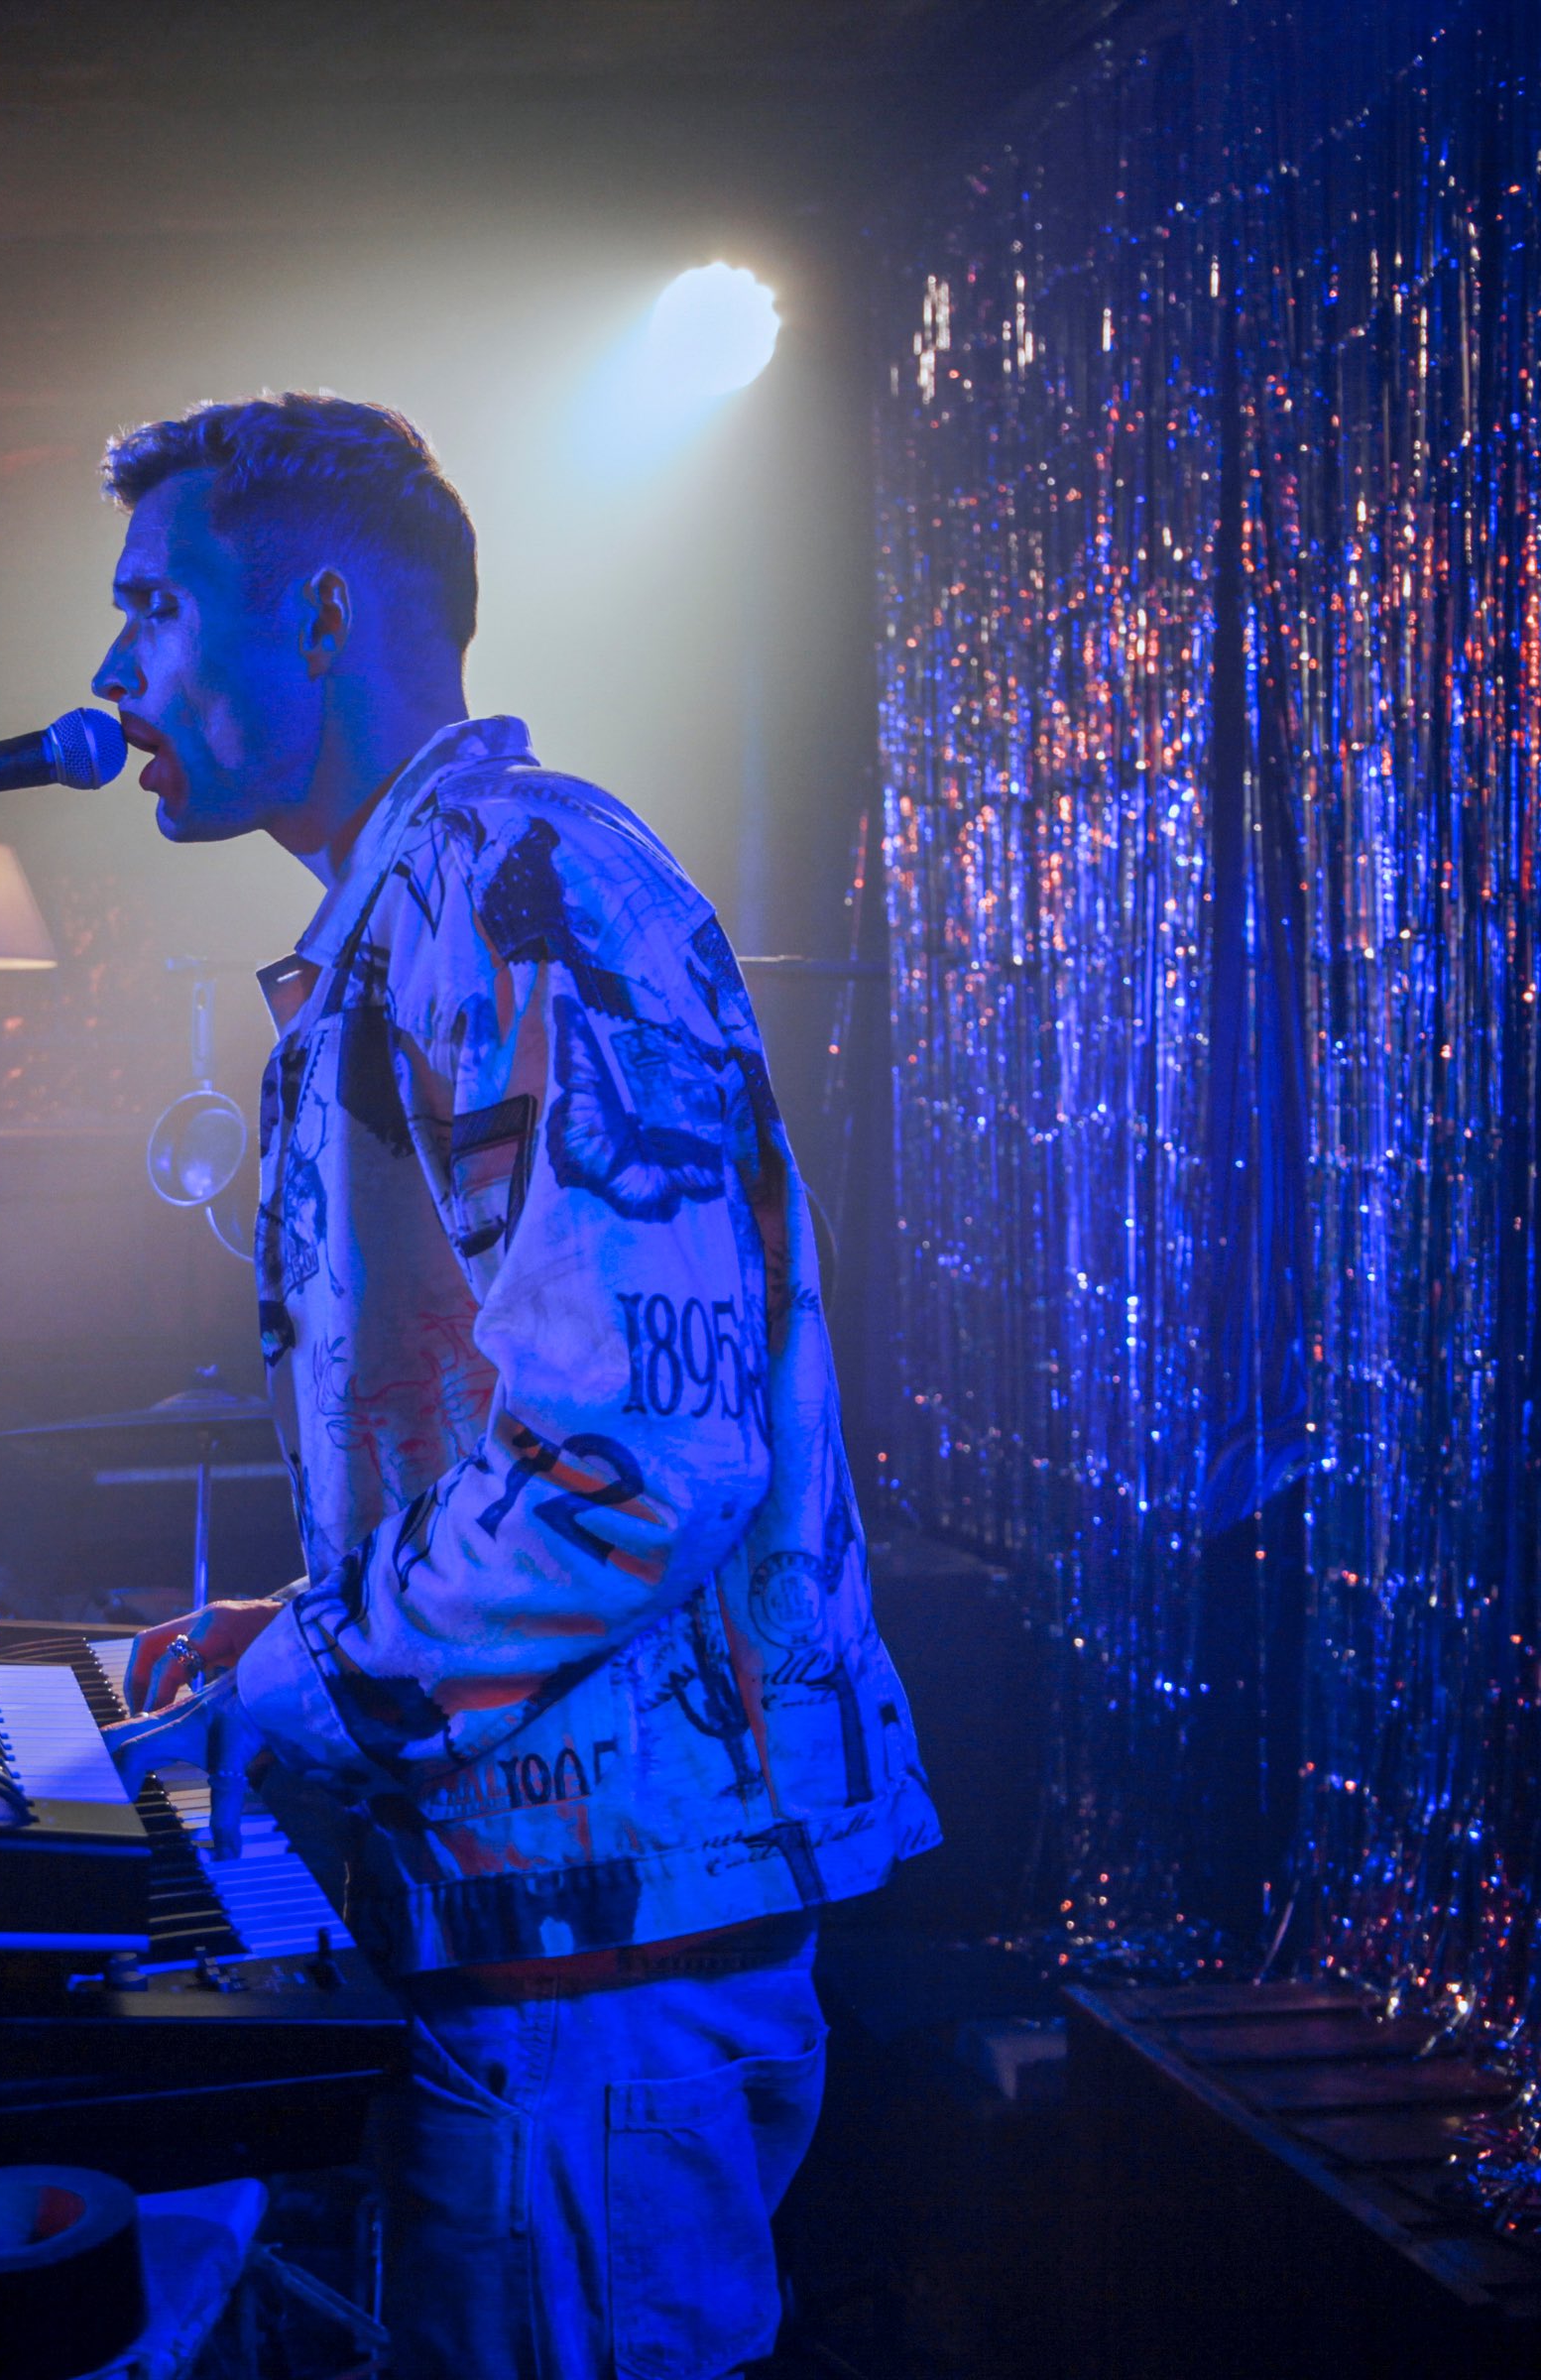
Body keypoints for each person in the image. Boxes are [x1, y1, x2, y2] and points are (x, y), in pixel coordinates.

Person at [88, 391, 941, 2380]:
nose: (114, 674)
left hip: (595, 1946)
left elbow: (635, 1451)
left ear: (320, 614)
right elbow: (539, 1427)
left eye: (153, 606)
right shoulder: (441, 892)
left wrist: (298, 1689)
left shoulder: (512, 881)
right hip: (557, 1923)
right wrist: (299, 1630)